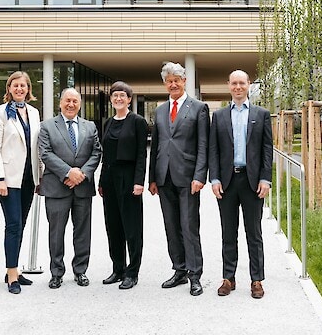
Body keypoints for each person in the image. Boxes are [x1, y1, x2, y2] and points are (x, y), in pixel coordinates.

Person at [208, 70, 273, 299]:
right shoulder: (219, 116)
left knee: (254, 233)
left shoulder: (261, 114)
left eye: (241, 83)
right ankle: (229, 277)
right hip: (226, 181)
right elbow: (213, 149)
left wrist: (266, 178)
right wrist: (214, 178)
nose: (238, 87)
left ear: (248, 85)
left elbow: (267, 150)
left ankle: (257, 280)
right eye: (234, 83)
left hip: (252, 181)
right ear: (228, 86)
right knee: (228, 232)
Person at [148, 62, 209, 296]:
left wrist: (200, 175)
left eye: (177, 80)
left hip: (188, 177)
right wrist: (152, 177)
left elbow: (203, 145)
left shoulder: (198, 108)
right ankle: (179, 270)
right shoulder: (160, 110)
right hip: (164, 177)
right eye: (169, 81)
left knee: (189, 226)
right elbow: (156, 145)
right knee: (171, 227)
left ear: (184, 81)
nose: (173, 84)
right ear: (165, 84)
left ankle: (195, 274)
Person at [38, 88, 102, 289]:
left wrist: (81, 174)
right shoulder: (47, 126)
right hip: (57, 187)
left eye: (75, 101)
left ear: (80, 104)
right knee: (56, 233)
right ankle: (56, 273)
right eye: (67, 100)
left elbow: (96, 152)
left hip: (82, 187)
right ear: (60, 103)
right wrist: (68, 172)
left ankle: (80, 271)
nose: (71, 104)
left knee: (82, 231)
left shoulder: (90, 126)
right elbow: (45, 153)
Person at [0, 71, 42, 294]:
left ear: (29, 89)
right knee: (13, 225)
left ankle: (15, 269)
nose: (19, 89)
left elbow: (37, 145)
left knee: (20, 224)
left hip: (29, 177)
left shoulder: (34, 112)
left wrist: (40, 175)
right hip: (8, 179)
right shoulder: (0, 112)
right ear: (9, 89)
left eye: (23, 86)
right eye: (15, 85)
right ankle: (12, 274)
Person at [99, 81, 148, 290]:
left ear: (129, 99)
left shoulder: (137, 121)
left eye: (123, 96)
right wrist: (101, 181)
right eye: (115, 95)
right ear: (111, 99)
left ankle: (132, 272)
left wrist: (139, 181)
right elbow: (105, 155)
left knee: (132, 227)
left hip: (129, 178)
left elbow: (141, 154)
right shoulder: (108, 122)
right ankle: (117, 268)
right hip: (110, 178)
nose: (118, 99)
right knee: (113, 225)